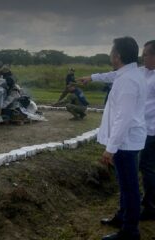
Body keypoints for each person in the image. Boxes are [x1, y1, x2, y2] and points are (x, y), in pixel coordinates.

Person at [79, 40, 155, 224]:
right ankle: (124, 217)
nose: (143, 58)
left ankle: (131, 228)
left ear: (117, 55)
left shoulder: (129, 79)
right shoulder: (135, 73)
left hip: (132, 137)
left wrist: (110, 148)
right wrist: (92, 77)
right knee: (128, 183)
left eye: (146, 54)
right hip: (134, 134)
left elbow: (124, 118)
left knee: (132, 183)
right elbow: (114, 75)